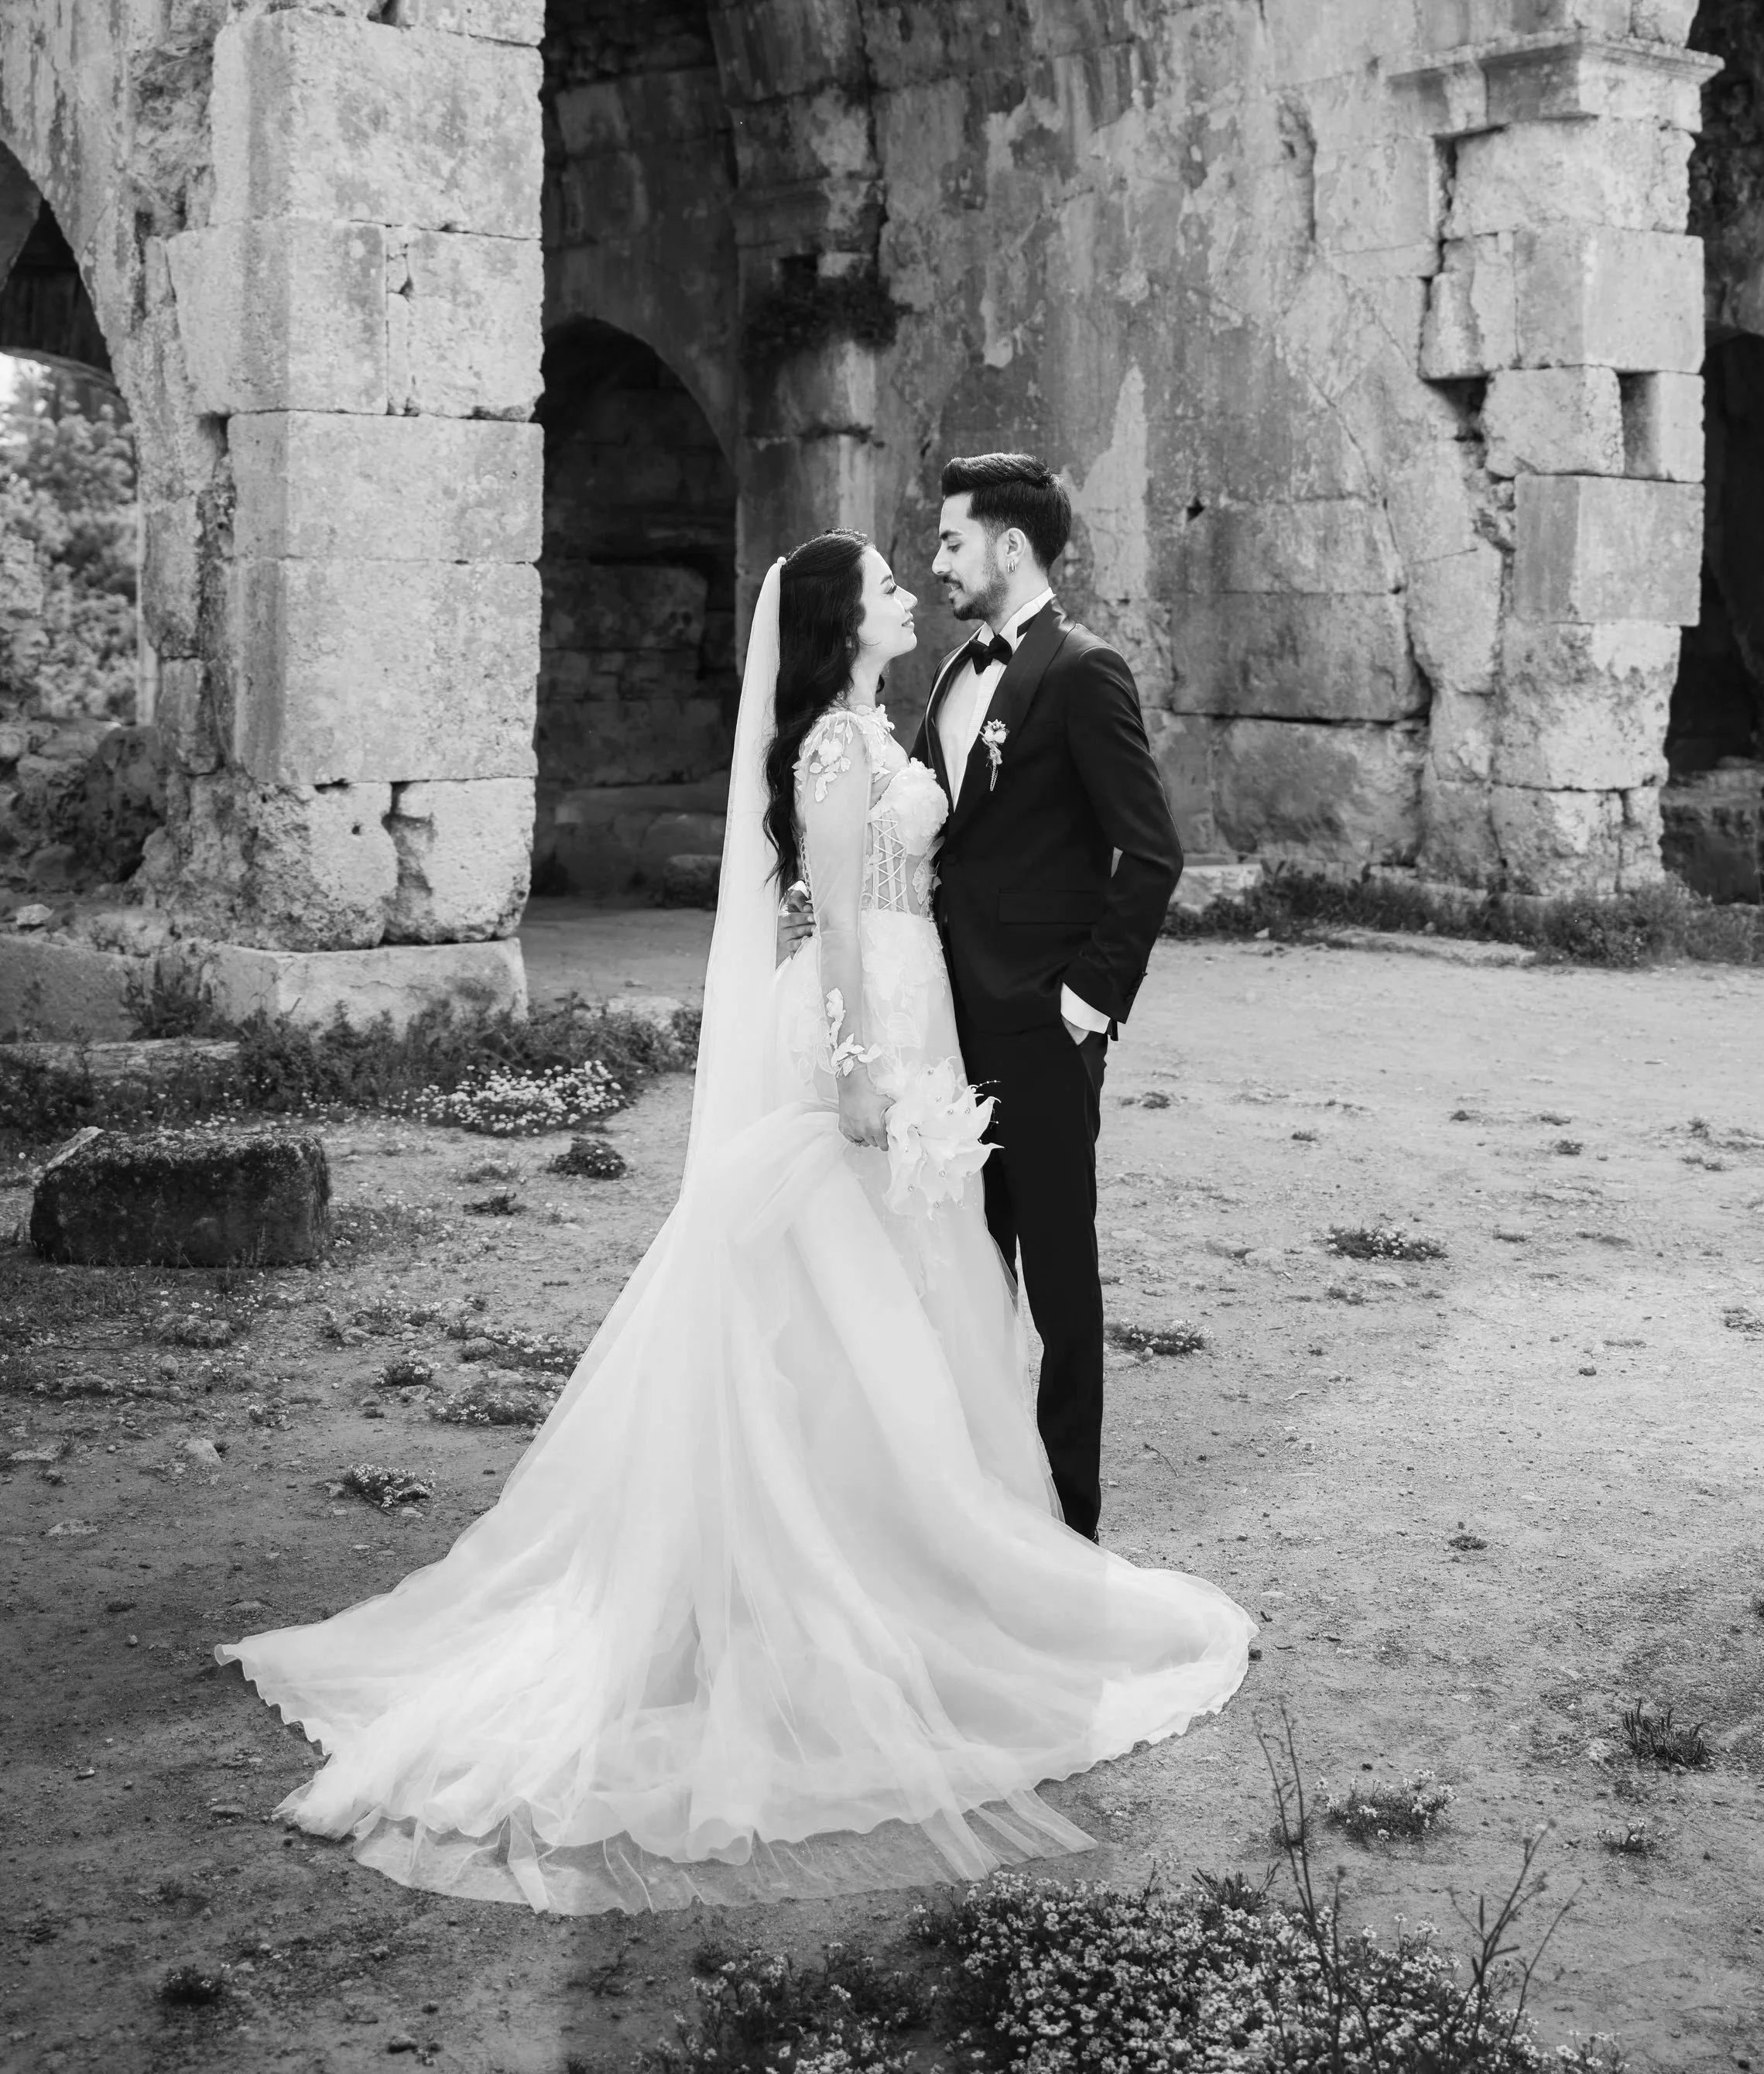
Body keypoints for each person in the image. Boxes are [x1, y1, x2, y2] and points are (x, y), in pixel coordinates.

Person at [214, 532, 1251, 1916]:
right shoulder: (834, 748)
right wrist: (860, 1058)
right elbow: (826, 919)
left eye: (916, 569)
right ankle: (843, 1567)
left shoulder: (891, 716)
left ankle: (932, 1544)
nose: (907, 591)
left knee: (924, 1283)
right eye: (886, 583)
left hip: (929, 1003)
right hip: (873, 1017)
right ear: (842, 624)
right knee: (841, 1294)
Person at [917, 453, 1183, 1540]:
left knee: (1061, 1284)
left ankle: (1071, 1529)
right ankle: (981, 1508)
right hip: (942, 1026)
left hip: (1040, 1027)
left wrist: (1085, 1001)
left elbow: (1151, 850)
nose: (934, 560)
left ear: (1008, 546)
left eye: (949, 541)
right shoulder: (947, 674)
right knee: (966, 1275)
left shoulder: (1083, 670)